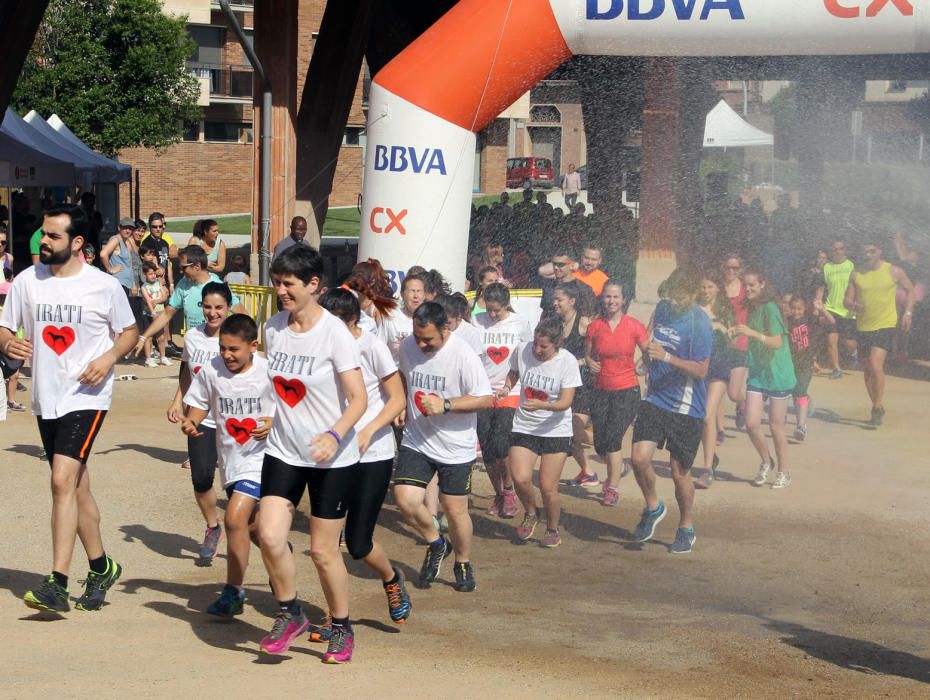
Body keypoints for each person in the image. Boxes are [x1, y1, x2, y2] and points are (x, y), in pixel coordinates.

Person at [0, 203, 138, 612]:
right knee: (77, 486)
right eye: (44, 234)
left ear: (77, 242)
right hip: (47, 396)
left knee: (61, 480)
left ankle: (56, 582)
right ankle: (101, 567)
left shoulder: (103, 286)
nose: (44, 241)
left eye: (54, 236)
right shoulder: (27, 281)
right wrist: (8, 343)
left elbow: (129, 332)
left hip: (87, 397)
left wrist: (108, 359)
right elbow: (5, 327)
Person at [257, 245, 367, 662]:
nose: (280, 290)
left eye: (289, 283)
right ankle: (290, 611)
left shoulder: (335, 333)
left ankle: (342, 625)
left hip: (332, 458)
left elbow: (357, 400)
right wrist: (269, 416)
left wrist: (335, 435)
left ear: (314, 286)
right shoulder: (273, 328)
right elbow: (276, 386)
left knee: (323, 552)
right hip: (284, 450)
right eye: (277, 282)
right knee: (268, 535)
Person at [312, 288, 411, 642]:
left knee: (357, 542)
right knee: (326, 546)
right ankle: (334, 618)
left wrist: (369, 430)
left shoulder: (371, 346)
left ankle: (391, 578)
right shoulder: (319, 344)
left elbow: (398, 399)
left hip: (372, 453)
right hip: (333, 454)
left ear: (352, 320)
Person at [393, 302, 493, 592]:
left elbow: (485, 398)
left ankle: (462, 561)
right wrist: (401, 403)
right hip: (418, 438)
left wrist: (446, 404)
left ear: (445, 329)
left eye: (428, 339)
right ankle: (437, 544)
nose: (421, 343)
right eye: (417, 335)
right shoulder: (409, 345)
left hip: (456, 446)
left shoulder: (462, 354)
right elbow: (403, 375)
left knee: (454, 508)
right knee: (405, 498)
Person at [181, 313, 275, 616]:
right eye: (223, 348)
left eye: (234, 349)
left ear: (253, 346)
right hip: (232, 461)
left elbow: (293, 406)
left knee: (234, 519)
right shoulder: (212, 370)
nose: (227, 355)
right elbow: (199, 403)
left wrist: (273, 422)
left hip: (264, 459)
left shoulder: (269, 371)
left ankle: (233, 592)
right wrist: (192, 422)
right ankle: (280, 561)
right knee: (255, 530)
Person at [629, 268, 712, 555]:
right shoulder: (662, 308)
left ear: (693, 294)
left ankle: (686, 526)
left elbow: (702, 370)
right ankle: (653, 506)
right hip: (655, 398)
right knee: (639, 459)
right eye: (672, 296)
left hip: (687, 407)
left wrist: (667, 358)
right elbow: (655, 342)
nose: (675, 302)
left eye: (681, 298)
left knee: (679, 473)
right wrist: (646, 361)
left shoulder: (700, 323)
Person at [168, 283, 234, 561]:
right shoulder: (193, 337)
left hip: (234, 420)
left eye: (219, 307)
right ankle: (212, 526)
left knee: (235, 484)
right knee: (201, 478)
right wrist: (176, 400)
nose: (212, 312)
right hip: (201, 417)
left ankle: (249, 534)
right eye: (207, 307)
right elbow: (187, 370)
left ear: (228, 307)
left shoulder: (237, 336)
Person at [503, 317, 581, 548]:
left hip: (555, 430)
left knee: (548, 487)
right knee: (520, 477)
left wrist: (543, 406)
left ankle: (553, 527)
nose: (537, 349)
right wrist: (507, 387)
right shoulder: (523, 349)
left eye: (543, 346)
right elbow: (514, 372)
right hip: (525, 425)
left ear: (557, 344)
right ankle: (531, 513)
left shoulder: (567, 362)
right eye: (536, 343)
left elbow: (566, 402)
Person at [471, 283, 533, 518]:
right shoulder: (477, 321)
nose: (492, 314)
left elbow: (523, 358)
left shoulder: (520, 324)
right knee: (487, 447)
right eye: (489, 309)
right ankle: (497, 493)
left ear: (506, 304)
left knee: (500, 443)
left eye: (497, 310)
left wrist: (509, 385)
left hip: (510, 390)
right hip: (482, 392)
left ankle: (508, 489)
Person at [731, 268, 796, 489]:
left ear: (762, 285)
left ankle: (784, 472)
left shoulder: (770, 308)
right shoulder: (751, 308)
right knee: (751, 423)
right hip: (758, 373)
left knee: (776, 426)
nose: (748, 289)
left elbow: (777, 342)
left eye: (752, 285)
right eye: (745, 285)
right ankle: (766, 461)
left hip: (778, 374)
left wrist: (752, 334)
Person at [585, 280, 648, 507]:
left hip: (627, 390)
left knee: (613, 438)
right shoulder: (595, 326)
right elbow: (589, 355)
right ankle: (618, 467)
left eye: (616, 297)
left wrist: (642, 366)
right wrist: (590, 363)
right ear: (603, 299)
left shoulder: (634, 326)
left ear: (623, 300)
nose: (612, 301)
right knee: (600, 444)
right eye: (608, 297)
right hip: (601, 391)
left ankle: (612, 487)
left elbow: (648, 352)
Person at [844, 237, 915, 426]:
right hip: (863, 326)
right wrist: (853, 305)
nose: (867, 255)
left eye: (871, 251)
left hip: (886, 324)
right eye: (865, 251)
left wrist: (908, 312)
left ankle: (876, 407)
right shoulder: (856, 273)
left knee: (876, 364)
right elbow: (846, 301)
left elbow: (910, 290)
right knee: (867, 369)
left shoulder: (893, 271)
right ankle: (877, 403)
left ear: (880, 251)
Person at [132, 246, 242, 358]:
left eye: (183, 267)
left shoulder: (218, 286)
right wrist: (143, 337)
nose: (180, 271)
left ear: (197, 266)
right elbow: (167, 314)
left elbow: (242, 315)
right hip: (192, 349)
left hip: (215, 353)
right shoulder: (184, 283)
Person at [553, 283, 599, 488]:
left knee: (574, 430)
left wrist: (589, 361)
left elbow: (598, 348)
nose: (555, 303)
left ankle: (608, 448)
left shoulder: (584, 323)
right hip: (564, 383)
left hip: (583, 383)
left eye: (559, 300)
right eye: (554, 300)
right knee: (567, 432)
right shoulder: (556, 323)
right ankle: (588, 472)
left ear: (572, 301)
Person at [693, 273, 734, 489]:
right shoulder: (693, 310)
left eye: (710, 286)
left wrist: (724, 329)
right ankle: (712, 456)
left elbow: (734, 337)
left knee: (708, 416)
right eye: (703, 287)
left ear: (718, 288)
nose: (706, 291)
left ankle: (707, 469)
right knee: (698, 418)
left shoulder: (726, 311)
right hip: (699, 366)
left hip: (719, 366)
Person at [786, 294, 833, 442]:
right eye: (793, 309)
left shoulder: (810, 321)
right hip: (790, 363)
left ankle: (801, 426)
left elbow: (831, 322)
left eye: (799, 309)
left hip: (806, 363)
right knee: (795, 393)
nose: (796, 312)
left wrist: (822, 309)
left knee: (799, 394)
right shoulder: (786, 322)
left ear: (805, 309)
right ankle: (805, 400)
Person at [816, 239, 857, 379]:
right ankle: (836, 369)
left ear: (845, 250)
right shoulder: (827, 267)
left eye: (841, 248)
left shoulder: (852, 265)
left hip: (848, 310)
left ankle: (852, 353)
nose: (838, 251)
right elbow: (821, 288)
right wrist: (818, 306)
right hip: (831, 308)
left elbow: (859, 286)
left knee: (849, 343)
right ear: (832, 251)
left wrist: (856, 303)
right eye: (835, 249)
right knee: (831, 339)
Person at [722, 255, 749, 428]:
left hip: (741, 343)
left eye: (735, 268)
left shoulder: (746, 288)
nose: (731, 271)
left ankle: (741, 404)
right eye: (728, 268)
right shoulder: (717, 287)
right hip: (721, 343)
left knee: (733, 393)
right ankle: (717, 430)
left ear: (741, 269)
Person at [379, 272, 426, 360]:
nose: (415, 296)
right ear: (402, 294)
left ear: (424, 295)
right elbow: (379, 349)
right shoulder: (390, 317)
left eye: (419, 291)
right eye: (411, 291)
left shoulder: (431, 320)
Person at [140, 261, 172, 367]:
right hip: (149, 315)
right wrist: (153, 312)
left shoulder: (159, 282)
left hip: (160, 313)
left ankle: (163, 357)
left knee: (161, 337)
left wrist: (156, 301)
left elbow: (164, 296)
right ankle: (148, 359)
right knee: (148, 337)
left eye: (154, 273)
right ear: (145, 274)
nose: (153, 276)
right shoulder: (143, 287)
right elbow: (148, 301)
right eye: (150, 274)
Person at [139, 212, 176, 293]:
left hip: (166, 284)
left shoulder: (165, 243)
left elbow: (167, 264)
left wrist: (171, 284)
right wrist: (161, 285)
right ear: (150, 227)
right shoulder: (147, 244)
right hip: (154, 286)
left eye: (160, 226)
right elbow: (150, 267)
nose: (158, 229)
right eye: (154, 227)